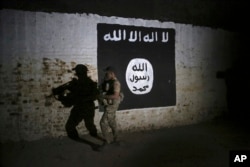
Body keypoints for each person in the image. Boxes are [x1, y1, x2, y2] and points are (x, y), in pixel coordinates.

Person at [63, 64, 99, 140]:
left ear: (79, 72)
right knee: (89, 125)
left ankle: (80, 139)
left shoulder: (78, 83)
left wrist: (65, 96)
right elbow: (94, 96)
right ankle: (96, 137)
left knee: (70, 126)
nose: (75, 73)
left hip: (80, 108)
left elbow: (71, 98)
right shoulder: (89, 82)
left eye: (76, 71)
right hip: (88, 108)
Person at [99, 66, 122, 145]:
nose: (106, 74)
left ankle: (107, 141)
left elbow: (115, 96)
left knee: (103, 122)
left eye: (107, 73)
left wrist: (102, 96)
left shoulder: (116, 83)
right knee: (112, 121)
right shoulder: (109, 81)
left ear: (112, 73)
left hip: (112, 105)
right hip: (109, 104)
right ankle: (117, 139)